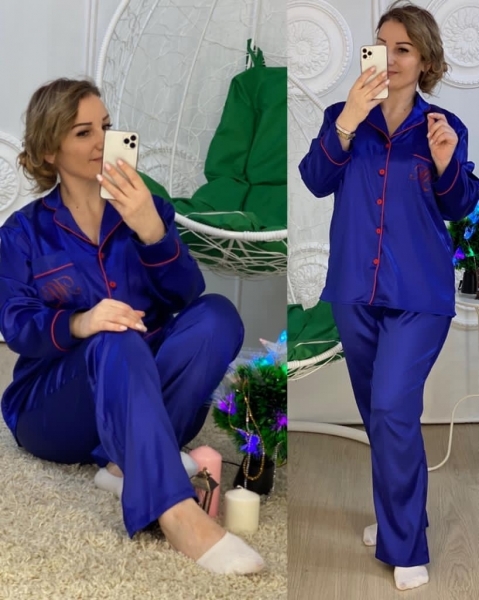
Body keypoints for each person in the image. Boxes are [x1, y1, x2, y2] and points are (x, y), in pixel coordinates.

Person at [0, 77, 265, 575]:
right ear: (50, 151)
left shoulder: (149, 208)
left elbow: (186, 295)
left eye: (106, 126)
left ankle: (125, 462)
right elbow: (16, 325)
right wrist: (82, 322)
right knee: (113, 338)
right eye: (83, 133)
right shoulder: (21, 234)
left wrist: (150, 229)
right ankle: (177, 513)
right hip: (54, 406)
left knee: (218, 315)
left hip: (140, 383)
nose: (103, 141)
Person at [299, 0, 479, 591]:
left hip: (420, 292)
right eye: (381, 46)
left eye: (404, 48)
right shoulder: (342, 116)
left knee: (393, 408)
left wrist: (448, 163)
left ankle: (405, 544)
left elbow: (458, 205)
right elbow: (315, 179)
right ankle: (397, 515)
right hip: (355, 288)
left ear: (424, 59)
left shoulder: (445, 127)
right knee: (379, 414)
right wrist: (349, 119)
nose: (390, 57)